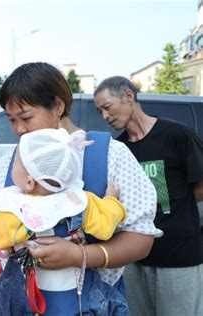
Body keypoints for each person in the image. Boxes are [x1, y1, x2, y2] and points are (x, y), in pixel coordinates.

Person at [0, 62, 162, 315]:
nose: (19, 129)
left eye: (26, 117)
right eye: (12, 120)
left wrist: (80, 255)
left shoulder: (111, 154)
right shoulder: (14, 160)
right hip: (21, 304)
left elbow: (141, 238)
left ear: (58, 106)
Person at [94, 76, 203, 316]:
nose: (105, 116)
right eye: (100, 111)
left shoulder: (176, 134)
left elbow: (200, 187)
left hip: (179, 253)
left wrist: (176, 207)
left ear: (129, 96)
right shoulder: (119, 149)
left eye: (107, 107)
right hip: (134, 256)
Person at [0, 128, 126, 250]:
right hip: (75, 273)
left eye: (15, 163)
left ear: (29, 182)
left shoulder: (15, 208)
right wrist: (111, 200)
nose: (12, 166)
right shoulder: (80, 200)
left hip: (31, 276)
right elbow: (105, 227)